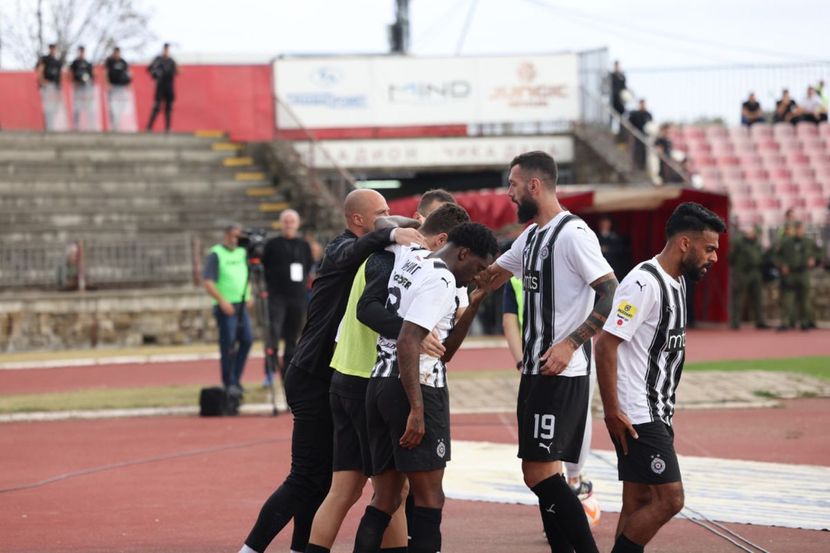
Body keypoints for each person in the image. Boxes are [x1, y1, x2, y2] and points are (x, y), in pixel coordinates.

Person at [239, 189, 425, 553]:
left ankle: (299, 548)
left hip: (334, 376)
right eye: (380, 213)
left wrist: (415, 225)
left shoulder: (374, 248)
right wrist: (391, 232)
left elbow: (389, 230)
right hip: (311, 375)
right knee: (306, 476)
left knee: (324, 480)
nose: (388, 217)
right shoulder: (340, 248)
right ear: (357, 219)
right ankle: (250, 549)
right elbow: (355, 249)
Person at [304, 202, 471, 553]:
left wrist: (398, 229)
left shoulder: (396, 249)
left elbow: (383, 223)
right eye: (382, 209)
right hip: (370, 377)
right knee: (386, 492)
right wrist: (411, 332)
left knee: (367, 491)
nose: (389, 214)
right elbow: (368, 310)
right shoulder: (395, 257)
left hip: (349, 373)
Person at [479, 151, 618, 553]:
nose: (509, 193)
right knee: (538, 472)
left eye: (512, 184)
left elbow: (612, 292)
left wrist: (572, 342)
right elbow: (491, 278)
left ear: (534, 186)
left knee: (540, 473)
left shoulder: (573, 233)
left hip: (562, 371)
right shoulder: (531, 236)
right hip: (536, 371)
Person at [352, 223, 499, 553]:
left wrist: (473, 304)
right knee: (431, 499)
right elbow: (408, 339)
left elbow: (445, 350)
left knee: (386, 497)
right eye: (478, 267)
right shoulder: (443, 278)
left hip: (379, 384)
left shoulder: (412, 256)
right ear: (463, 253)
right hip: (416, 387)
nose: (477, 276)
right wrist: (417, 409)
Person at [595, 202, 725, 553]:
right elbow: (605, 345)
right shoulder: (642, 283)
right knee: (671, 499)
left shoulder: (679, 282)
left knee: (637, 502)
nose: (714, 257)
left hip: (660, 410)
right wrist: (612, 410)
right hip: (638, 413)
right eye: (709, 248)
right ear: (685, 243)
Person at [502, 278, 596, 501]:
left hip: (535, 359)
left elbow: (509, 322)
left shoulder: (516, 276)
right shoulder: (571, 263)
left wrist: (521, 362)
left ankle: (563, 490)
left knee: (543, 440)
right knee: (578, 418)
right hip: (573, 358)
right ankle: (574, 480)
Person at [262, 209, 314, 385]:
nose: (289, 225)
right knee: (274, 334)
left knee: (292, 338)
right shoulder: (272, 244)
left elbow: (307, 267)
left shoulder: (304, 245)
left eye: (292, 221)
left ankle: (288, 374)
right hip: (277, 296)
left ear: (297, 224)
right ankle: (269, 372)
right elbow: (264, 268)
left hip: (297, 297)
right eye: (286, 221)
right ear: (281, 223)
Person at [202, 223, 253, 391]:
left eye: (239, 237)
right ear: (226, 236)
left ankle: (235, 378)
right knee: (228, 344)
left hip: (241, 304)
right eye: (233, 236)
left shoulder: (242, 252)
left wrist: (249, 295)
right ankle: (228, 382)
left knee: (247, 339)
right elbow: (208, 282)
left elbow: (247, 276)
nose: (236, 240)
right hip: (225, 305)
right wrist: (222, 301)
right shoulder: (216, 254)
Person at [776, 221, 820, 331]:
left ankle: (805, 322)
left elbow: (820, 252)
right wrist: (782, 265)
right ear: (794, 230)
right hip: (790, 273)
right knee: (787, 300)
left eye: (801, 229)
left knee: (805, 300)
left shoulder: (809, 241)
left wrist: (814, 259)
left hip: (804, 272)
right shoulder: (786, 242)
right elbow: (776, 256)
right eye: (797, 229)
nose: (799, 231)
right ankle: (785, 322)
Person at [728, 227, 769, 329]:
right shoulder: (739, 242)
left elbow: (761, 256)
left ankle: (760, 321)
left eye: (753, 232)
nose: (752, 234)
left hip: (755, 271)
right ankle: (735, 322)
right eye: (750, 232)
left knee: (758, 298)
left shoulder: (756, 243)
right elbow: (731, 258)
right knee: (738, 298)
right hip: (742, 272)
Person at [146, 43, 178, 132]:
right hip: (160, 86)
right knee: (157, 106)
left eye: (167, 50)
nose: (166, 51)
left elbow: (177, 71)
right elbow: (149, 69)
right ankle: (149, 127)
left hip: (169, 86)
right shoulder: (158, 59)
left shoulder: (171, 61)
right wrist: (155, 72)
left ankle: (168, 128)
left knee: (169, 108)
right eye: (165, 49)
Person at [35, 44, 64, 130]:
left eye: (54, 48)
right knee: (47, 108)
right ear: (49, 49)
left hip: (55, 87)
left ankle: (52, 125)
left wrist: (59, 86)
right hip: (47, 87)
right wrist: (42, 82)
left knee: (55, 107)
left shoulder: (57, 61)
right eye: (51, 48)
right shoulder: (45, 59)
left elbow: (60, 75)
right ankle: (48, 126)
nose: (53, 50)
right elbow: (39, 70)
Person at [104, 46, 133, 131]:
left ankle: (118, 122)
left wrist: (129, 84)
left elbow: (128, 74)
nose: (117, 54)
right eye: (115, 53)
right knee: (112, 107)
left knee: (120, 106)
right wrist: (107, 83)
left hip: (121, 88)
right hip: (113, 88)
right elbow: (105, 73)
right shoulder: (109, 61)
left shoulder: (123, 62)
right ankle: (113, 124)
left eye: (118, 53)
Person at [69, 45, 96, 130]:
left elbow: (93, 76)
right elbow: (71, 74)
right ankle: (76, 126)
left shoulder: (88, 64)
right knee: (77, 108)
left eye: (83, 51)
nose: (81, 53)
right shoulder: (74, 63)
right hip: (78, 89)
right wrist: (74, 82)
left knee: (89, 108)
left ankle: (91, 125)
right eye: (80, 51)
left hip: (87, 89)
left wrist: (90, 83)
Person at [628, 99, 653, 171]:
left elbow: (651, 125)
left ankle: (643, 167)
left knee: (644, 152)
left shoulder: (648, 114)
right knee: (636, 151)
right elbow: (630, 123)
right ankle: (635, 166)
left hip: (645, 137)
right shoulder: (634, 114)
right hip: (636, 136)